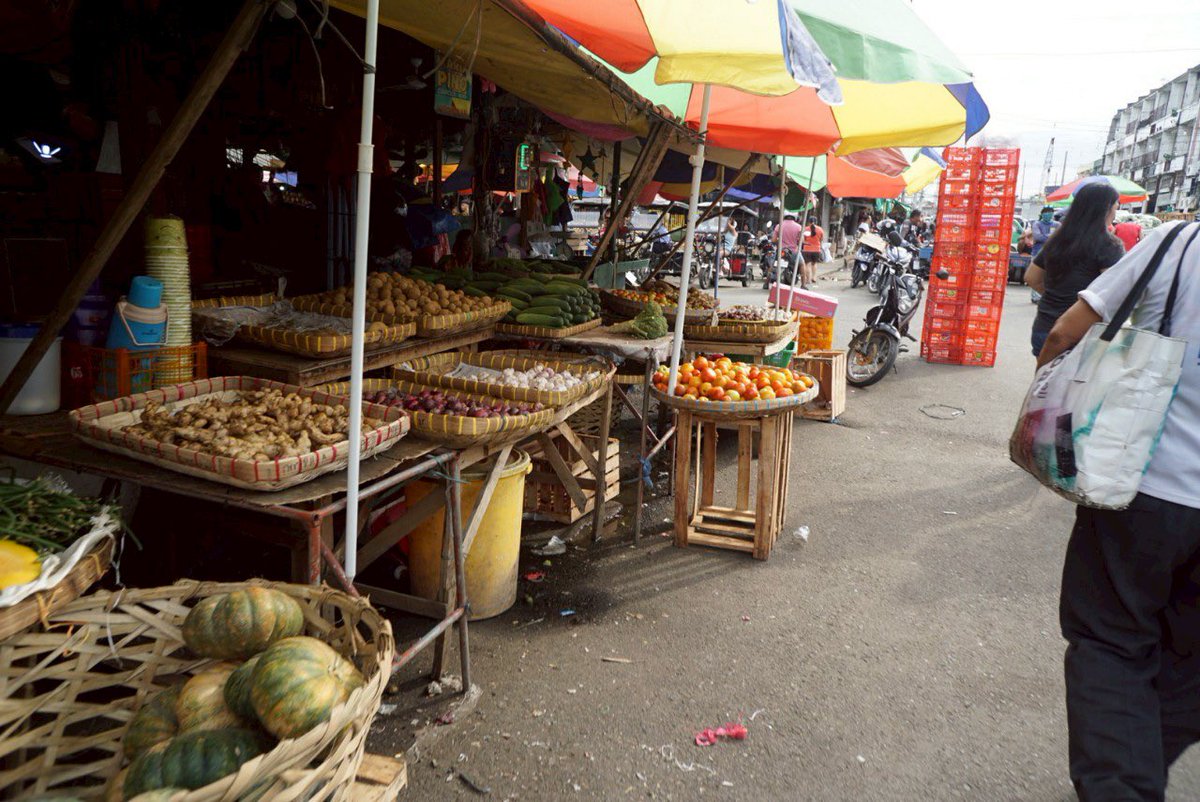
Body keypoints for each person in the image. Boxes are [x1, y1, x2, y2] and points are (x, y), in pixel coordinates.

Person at [1035, 220, 1200, 801]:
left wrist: (1043, 414)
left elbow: (1066, 331)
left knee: (1110, 642)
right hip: (1150, 496)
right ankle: (1135, 766)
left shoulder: (1178, 244)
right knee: (1190, 662)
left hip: (1143, 487)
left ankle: (1124, 779)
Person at [1025, 183, 1124, 357]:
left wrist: (1056, 294)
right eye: (1116, 206)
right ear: (1106, 209)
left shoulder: (1057, 240)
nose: (1116, 212)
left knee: (1044, 382)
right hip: (1079, 334)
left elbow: (1031, 277)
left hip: (1044, 329)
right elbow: (1114, 291)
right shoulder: (1108, 245)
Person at [1029, 206, 1060, 304]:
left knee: (1050, 276)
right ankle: (1036, 297)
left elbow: (1060, 236)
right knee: (1037, 276)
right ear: (1042, 214)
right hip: (1037, 253)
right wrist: (1052, 236)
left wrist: (1045, 236)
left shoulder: (1057, 224)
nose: (1048, 214)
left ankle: (1046, 297)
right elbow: (1038, 237)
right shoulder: (1037, 224)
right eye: (1046, 212)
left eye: (1050, 212)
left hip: (1053, 253)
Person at [800, 216, 824, 289]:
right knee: (814, 264)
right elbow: (821, 239)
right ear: (816, 222)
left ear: (808, 222)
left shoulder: (806, 229)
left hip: (807, 249)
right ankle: (814, 277)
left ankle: (808, 279)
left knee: (807, 264)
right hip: (817, 249)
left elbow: (803, 240)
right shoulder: (820, 229)